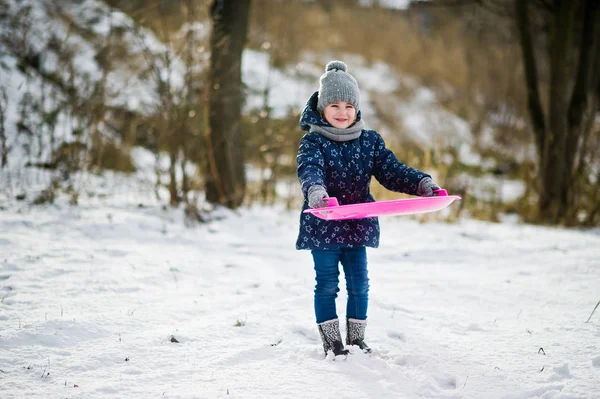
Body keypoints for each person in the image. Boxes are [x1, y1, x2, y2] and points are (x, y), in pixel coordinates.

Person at [296, 60, 441, 357]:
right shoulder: (313, 141)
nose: (342, 112)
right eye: (334, 105)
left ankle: (356, 340)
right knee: (326, 284)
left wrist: (422, 184)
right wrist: (316, 192)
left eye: (349, 106)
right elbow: (310, 170)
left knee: (359, 284)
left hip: (357, 223)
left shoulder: (370, 142)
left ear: (357, 109)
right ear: (322, 108)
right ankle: (332, 341)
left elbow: (392, 171)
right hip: (324, 221)